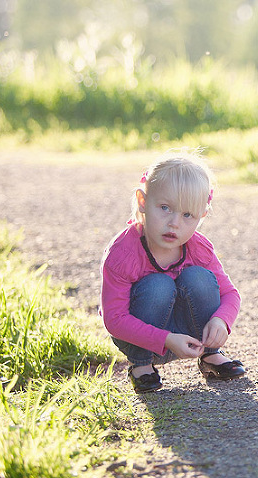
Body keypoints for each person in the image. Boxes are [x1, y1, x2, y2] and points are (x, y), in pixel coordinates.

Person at [100, 151, 246, 393]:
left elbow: (231, 294)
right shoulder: (122, 254)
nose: (175, 223)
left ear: (202, 216)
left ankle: (210, 355)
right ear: (143, 201)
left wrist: (222, 320)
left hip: (189, 337)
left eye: (188, 215)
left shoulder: (199, 248)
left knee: (200, 278)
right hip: (142, 336)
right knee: (158, 285)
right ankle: (141, 365)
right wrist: (165, 339)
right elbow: (114, 319)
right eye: (165, 208)